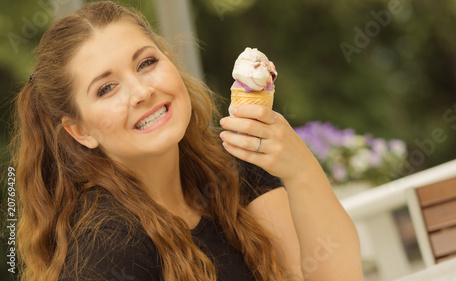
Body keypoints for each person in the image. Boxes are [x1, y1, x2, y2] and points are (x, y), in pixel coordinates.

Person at [11, 1, 362, 280]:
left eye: (146, 63)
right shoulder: (106, 251)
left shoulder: (232, 166)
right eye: (107, 88)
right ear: (81, 131)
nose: (142, 91)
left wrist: (301, 170)